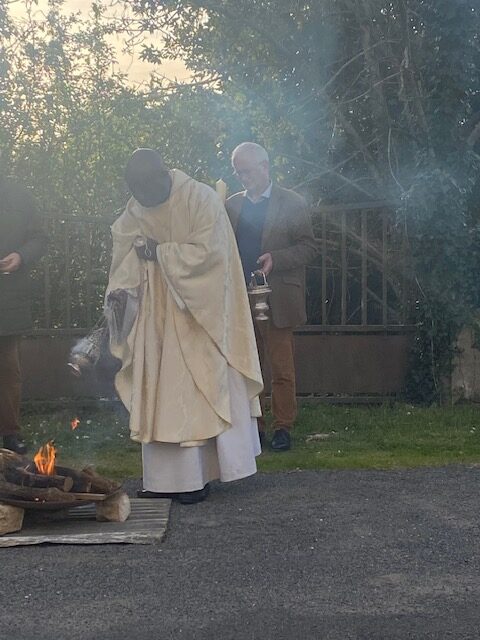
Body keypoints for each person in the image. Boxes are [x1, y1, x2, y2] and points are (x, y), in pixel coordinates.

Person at [105, 148, 263, 504]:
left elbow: (213, 255)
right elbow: (124, 260)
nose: (144, 200)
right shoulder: (135, 210)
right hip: (154, 321)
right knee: (159, 395)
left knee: (196, 392)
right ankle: (163, 480)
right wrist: (119, 298)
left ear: (163, 176)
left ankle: (197, 477)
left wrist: (160, 253)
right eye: (138, 193)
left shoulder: (200, 199)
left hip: (199, 319)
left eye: (148, 191)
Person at [226, 142, 317, 452]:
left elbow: (309, 248)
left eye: (247, 171)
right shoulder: (231, 205)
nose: (243, 177)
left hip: (278, 297)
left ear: (265, 166)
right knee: (248, 368)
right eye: (238, 172)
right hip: (240, 298)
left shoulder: (292, 202)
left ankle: (283, 428)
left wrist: (276, 259)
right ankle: (255, 428)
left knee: (281, 368)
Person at [0, 170, 47, 454]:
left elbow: (39, 238)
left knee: (8, 368)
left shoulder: (20, 196)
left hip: (9, 297)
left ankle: (10, 434)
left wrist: (21, 256)